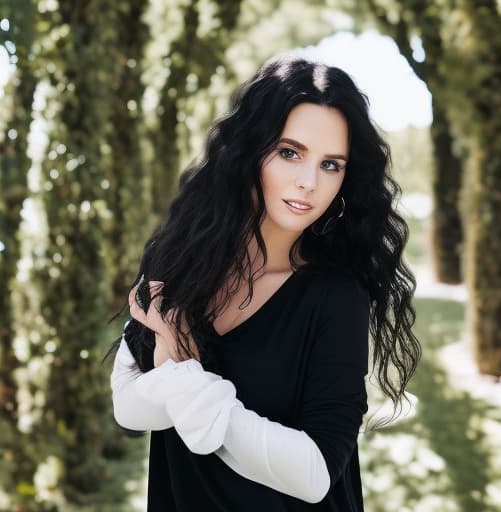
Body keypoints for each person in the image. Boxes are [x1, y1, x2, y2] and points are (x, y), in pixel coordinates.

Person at [109, 54, 421, 511]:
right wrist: (184, 387)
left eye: (331, 164)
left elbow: (315, 474)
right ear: (250, 151)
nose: (309, 182)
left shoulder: (335, 295)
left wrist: (184, 376)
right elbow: (129, 408)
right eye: (289, 152)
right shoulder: (176, 259)